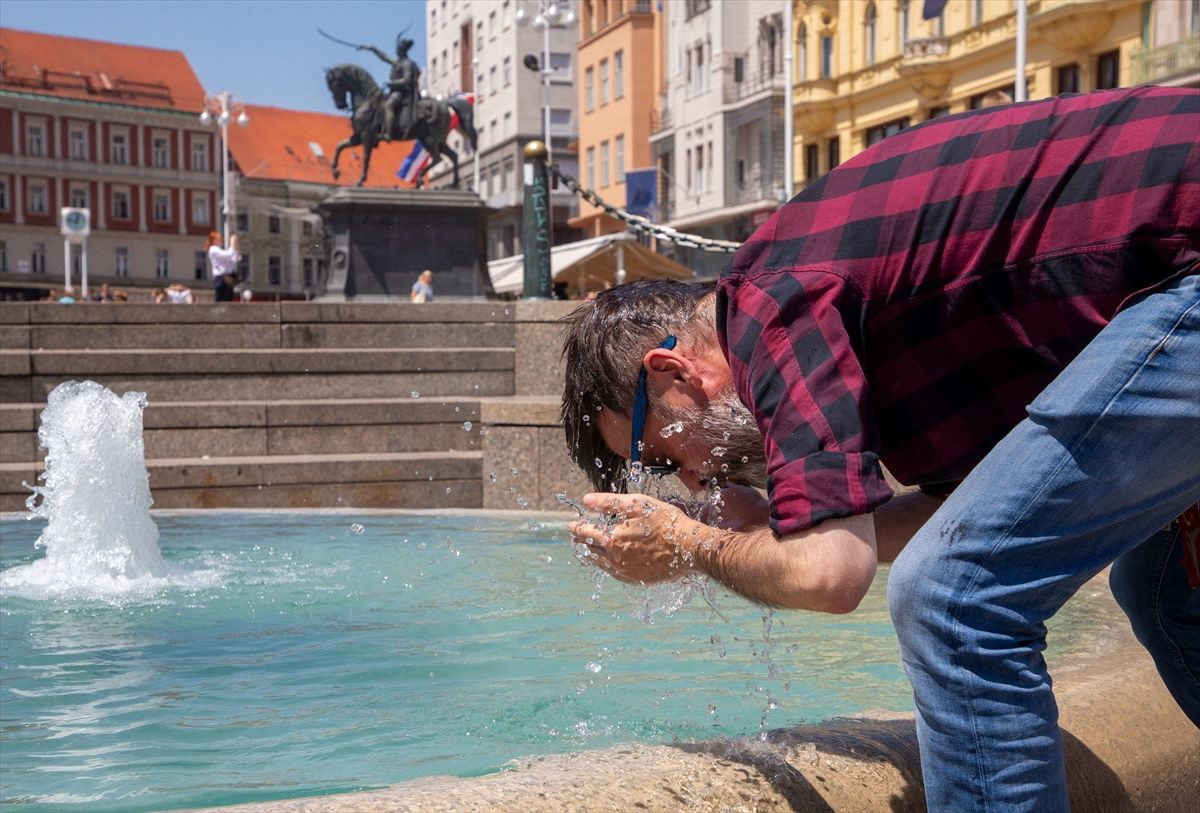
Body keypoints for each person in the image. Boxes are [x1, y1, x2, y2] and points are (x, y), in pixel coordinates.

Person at [561, 86, 1199, 811]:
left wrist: (688, 544)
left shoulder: (767, 303)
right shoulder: (843, 312)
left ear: (673, 371)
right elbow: (955, 512)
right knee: (1161, 587)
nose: (693, 473)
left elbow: (834, 574)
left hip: (1188, 258)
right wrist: (772, 525)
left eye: (665, 452)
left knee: (951, 599)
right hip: (1171, 266)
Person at [360, 34, 421, 141]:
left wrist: (392, 83)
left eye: (398, 49)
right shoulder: (397, 62)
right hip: (394, 91)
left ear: (402, 50)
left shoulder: (407, 64)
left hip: (402, 92)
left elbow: (407, 80)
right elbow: (384, 57)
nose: (396, 51)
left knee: (388, 106)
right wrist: (372, 48)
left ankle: (389, 132)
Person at [206, 231, 240, 302]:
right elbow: (228, 254)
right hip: (221, 277)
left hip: (229, 276)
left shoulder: (221, 250)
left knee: (229, 298)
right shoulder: (213, 249)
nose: (221, 239)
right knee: (221, 297)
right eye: (219, 238)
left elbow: (236, 258)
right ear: (214, 240)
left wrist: (236, 247)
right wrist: (232, 244)